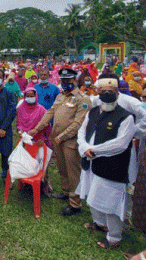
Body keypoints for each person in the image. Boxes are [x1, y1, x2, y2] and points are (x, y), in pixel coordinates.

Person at [76, 78, 135, 249]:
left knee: (111, 203)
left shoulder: (126, 116)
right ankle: (99, 223)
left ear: (117, 93)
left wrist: (94, 151)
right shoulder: (92, 112)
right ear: (98, 93)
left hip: (112, 166)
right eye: (103, 91)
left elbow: (121, 144)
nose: (107, 94)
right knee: (93, 196)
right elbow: (82, 132)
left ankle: (114, 237)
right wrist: (85, 148)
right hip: (91, 163)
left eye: (111, 91)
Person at [29, 68, 92, 216]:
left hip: (70, 141)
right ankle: (66, 192)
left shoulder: (83, 99)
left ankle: (75, 203)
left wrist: (62, 136)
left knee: (73, 171)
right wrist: (37, 129)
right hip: (57, 139)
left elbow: (78, 123)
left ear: (75, 81)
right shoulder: (61, 96)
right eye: (63, 80)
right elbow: (50, 113)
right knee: (62, 168)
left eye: (68, 80)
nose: (65, 83)